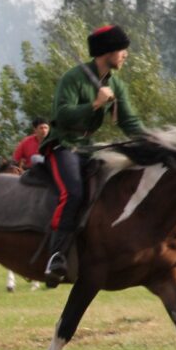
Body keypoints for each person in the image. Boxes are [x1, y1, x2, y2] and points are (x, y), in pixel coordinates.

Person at [41, 24, 147, 285]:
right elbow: (61, 115)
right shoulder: (73, 78)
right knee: (73, 193)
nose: (125, 55)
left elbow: (130, 122)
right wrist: (95, 104)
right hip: (62, 146)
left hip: (89, 149)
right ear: (107, 51)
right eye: (122, 50)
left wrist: (154, 141)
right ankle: (56, 255)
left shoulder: (116, 85)